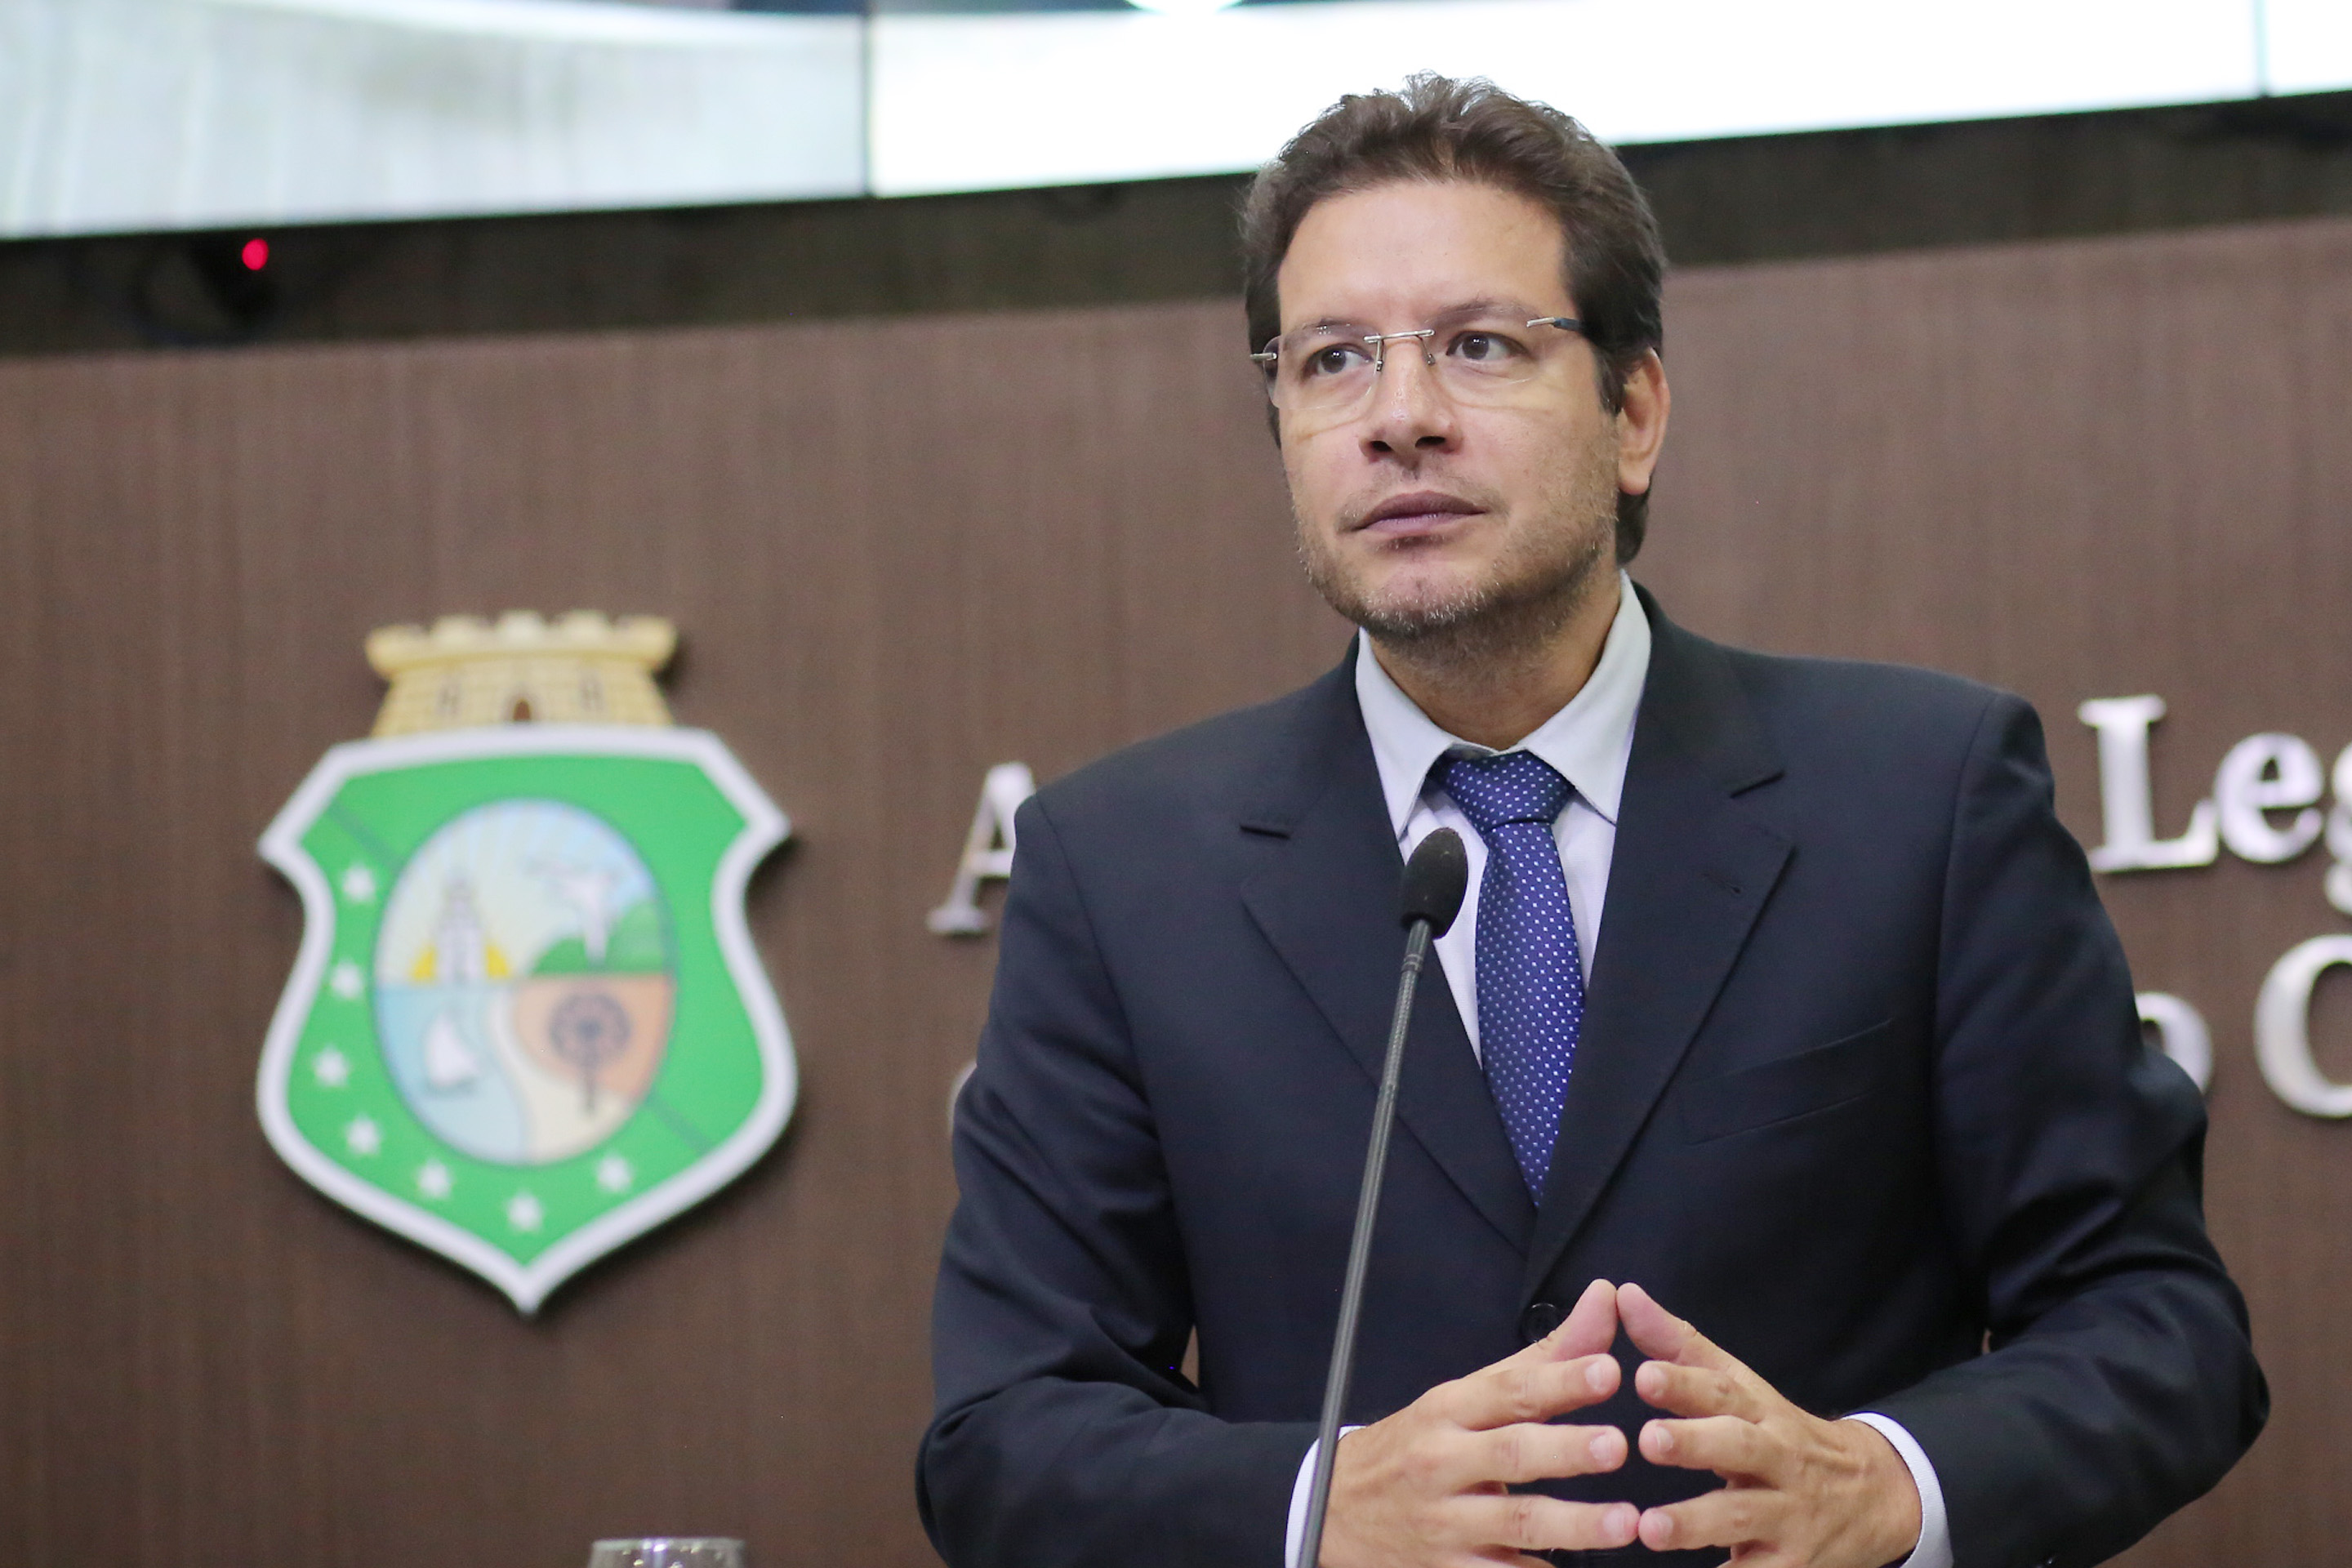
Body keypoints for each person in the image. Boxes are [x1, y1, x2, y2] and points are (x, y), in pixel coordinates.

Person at [918, 74, 2265, 1568]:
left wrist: (1888, 1487)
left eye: (1480, 345)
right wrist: (1312, 1511)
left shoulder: (1921, 795)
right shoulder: (1121, 872)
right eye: (1333, 360)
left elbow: (2159, 1324)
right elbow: (1005, 1432)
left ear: (1634, 412)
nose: (1400, 419)